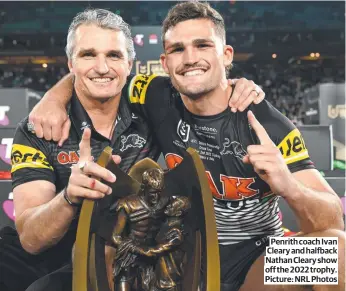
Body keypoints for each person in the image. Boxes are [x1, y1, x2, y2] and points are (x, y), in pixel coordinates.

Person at [29, 2, 346, 291]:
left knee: (337, 251)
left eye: (203, 45)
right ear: (165, 62)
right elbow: (97, 75)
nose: (190, 58)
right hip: (185, 258)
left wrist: (288, 185)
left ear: (226, 55)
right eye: (178, 49)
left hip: (259, 260)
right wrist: (52, 99)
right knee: (110, 252)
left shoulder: (269, 127)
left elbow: (332, 220)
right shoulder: (154, 94)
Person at [0, 7, 263, 291]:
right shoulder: (40, 129)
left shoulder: (154, 103)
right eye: (88, 55)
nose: (102, 67)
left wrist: (236, 86)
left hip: (229, 252)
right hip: (56, 252)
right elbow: (31, 239)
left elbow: (319, 215)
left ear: (129, 64)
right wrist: (70, 196)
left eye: (114, 55)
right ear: (70, 64)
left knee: (317, 254)